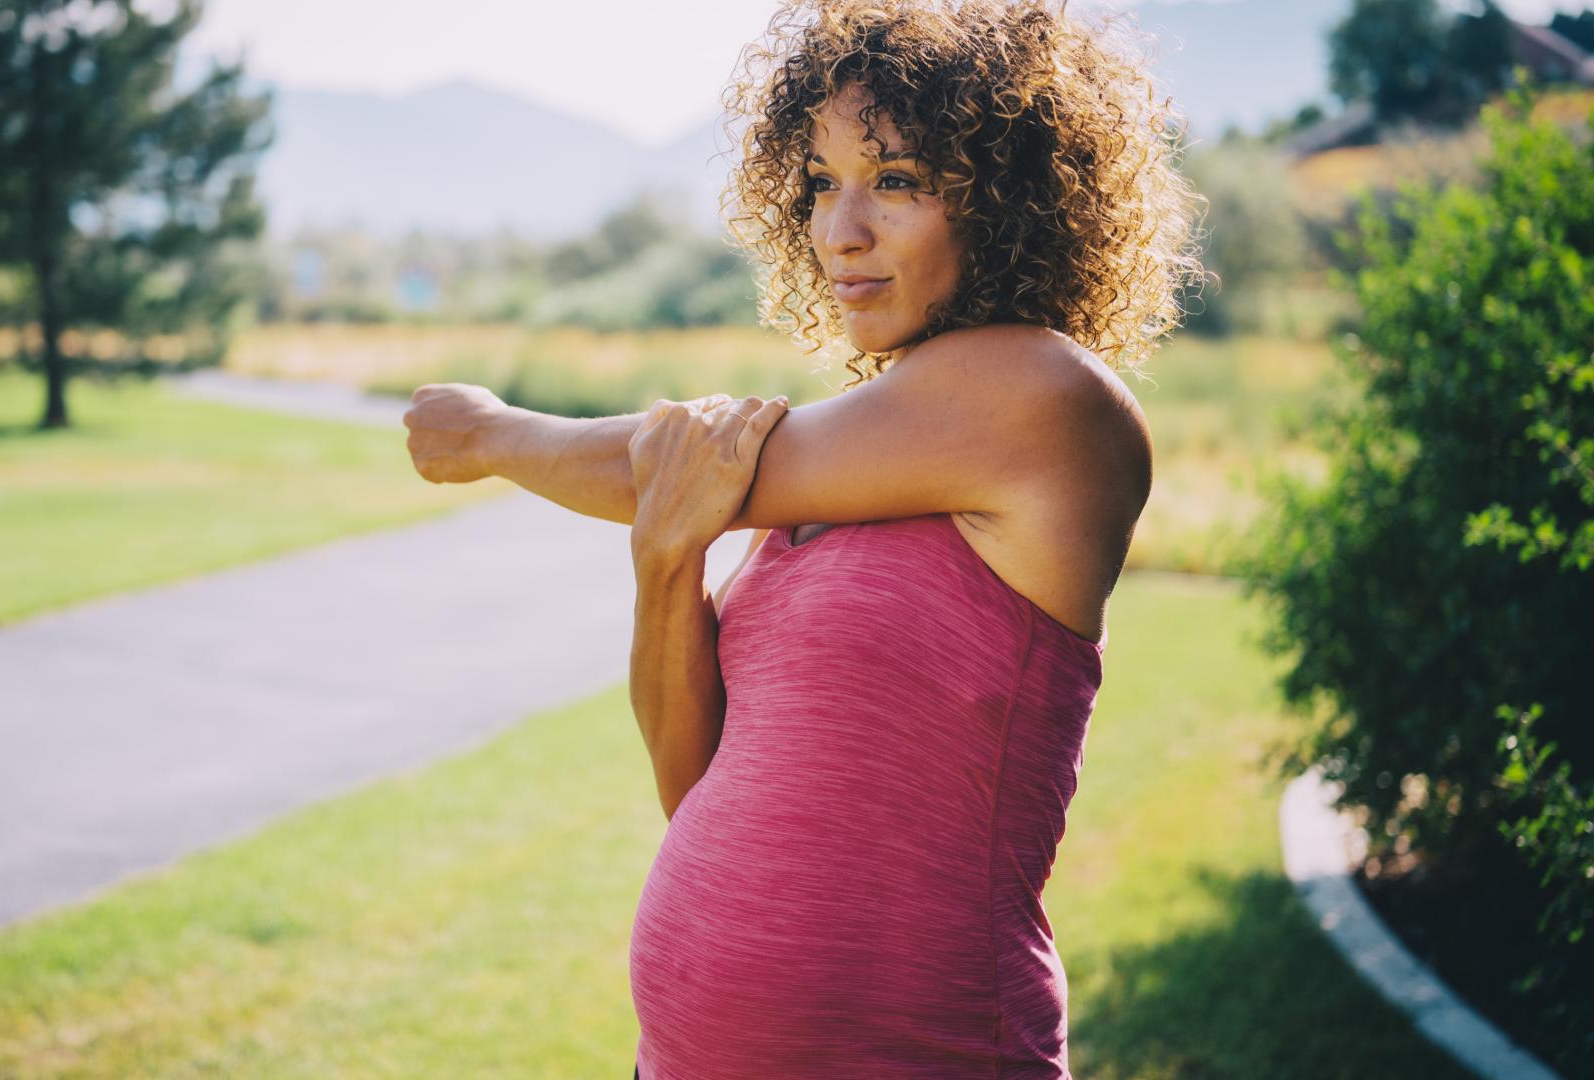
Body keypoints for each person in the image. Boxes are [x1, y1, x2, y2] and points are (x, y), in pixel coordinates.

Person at [401, 0, 1203, 1073]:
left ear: (1008, 202)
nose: (840, 229)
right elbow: (690, 787)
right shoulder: (838, 467)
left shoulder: (1048, 399)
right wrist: (664, 558)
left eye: (898, 180)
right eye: (822, 182)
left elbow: (644, 461)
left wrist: (493, 433)